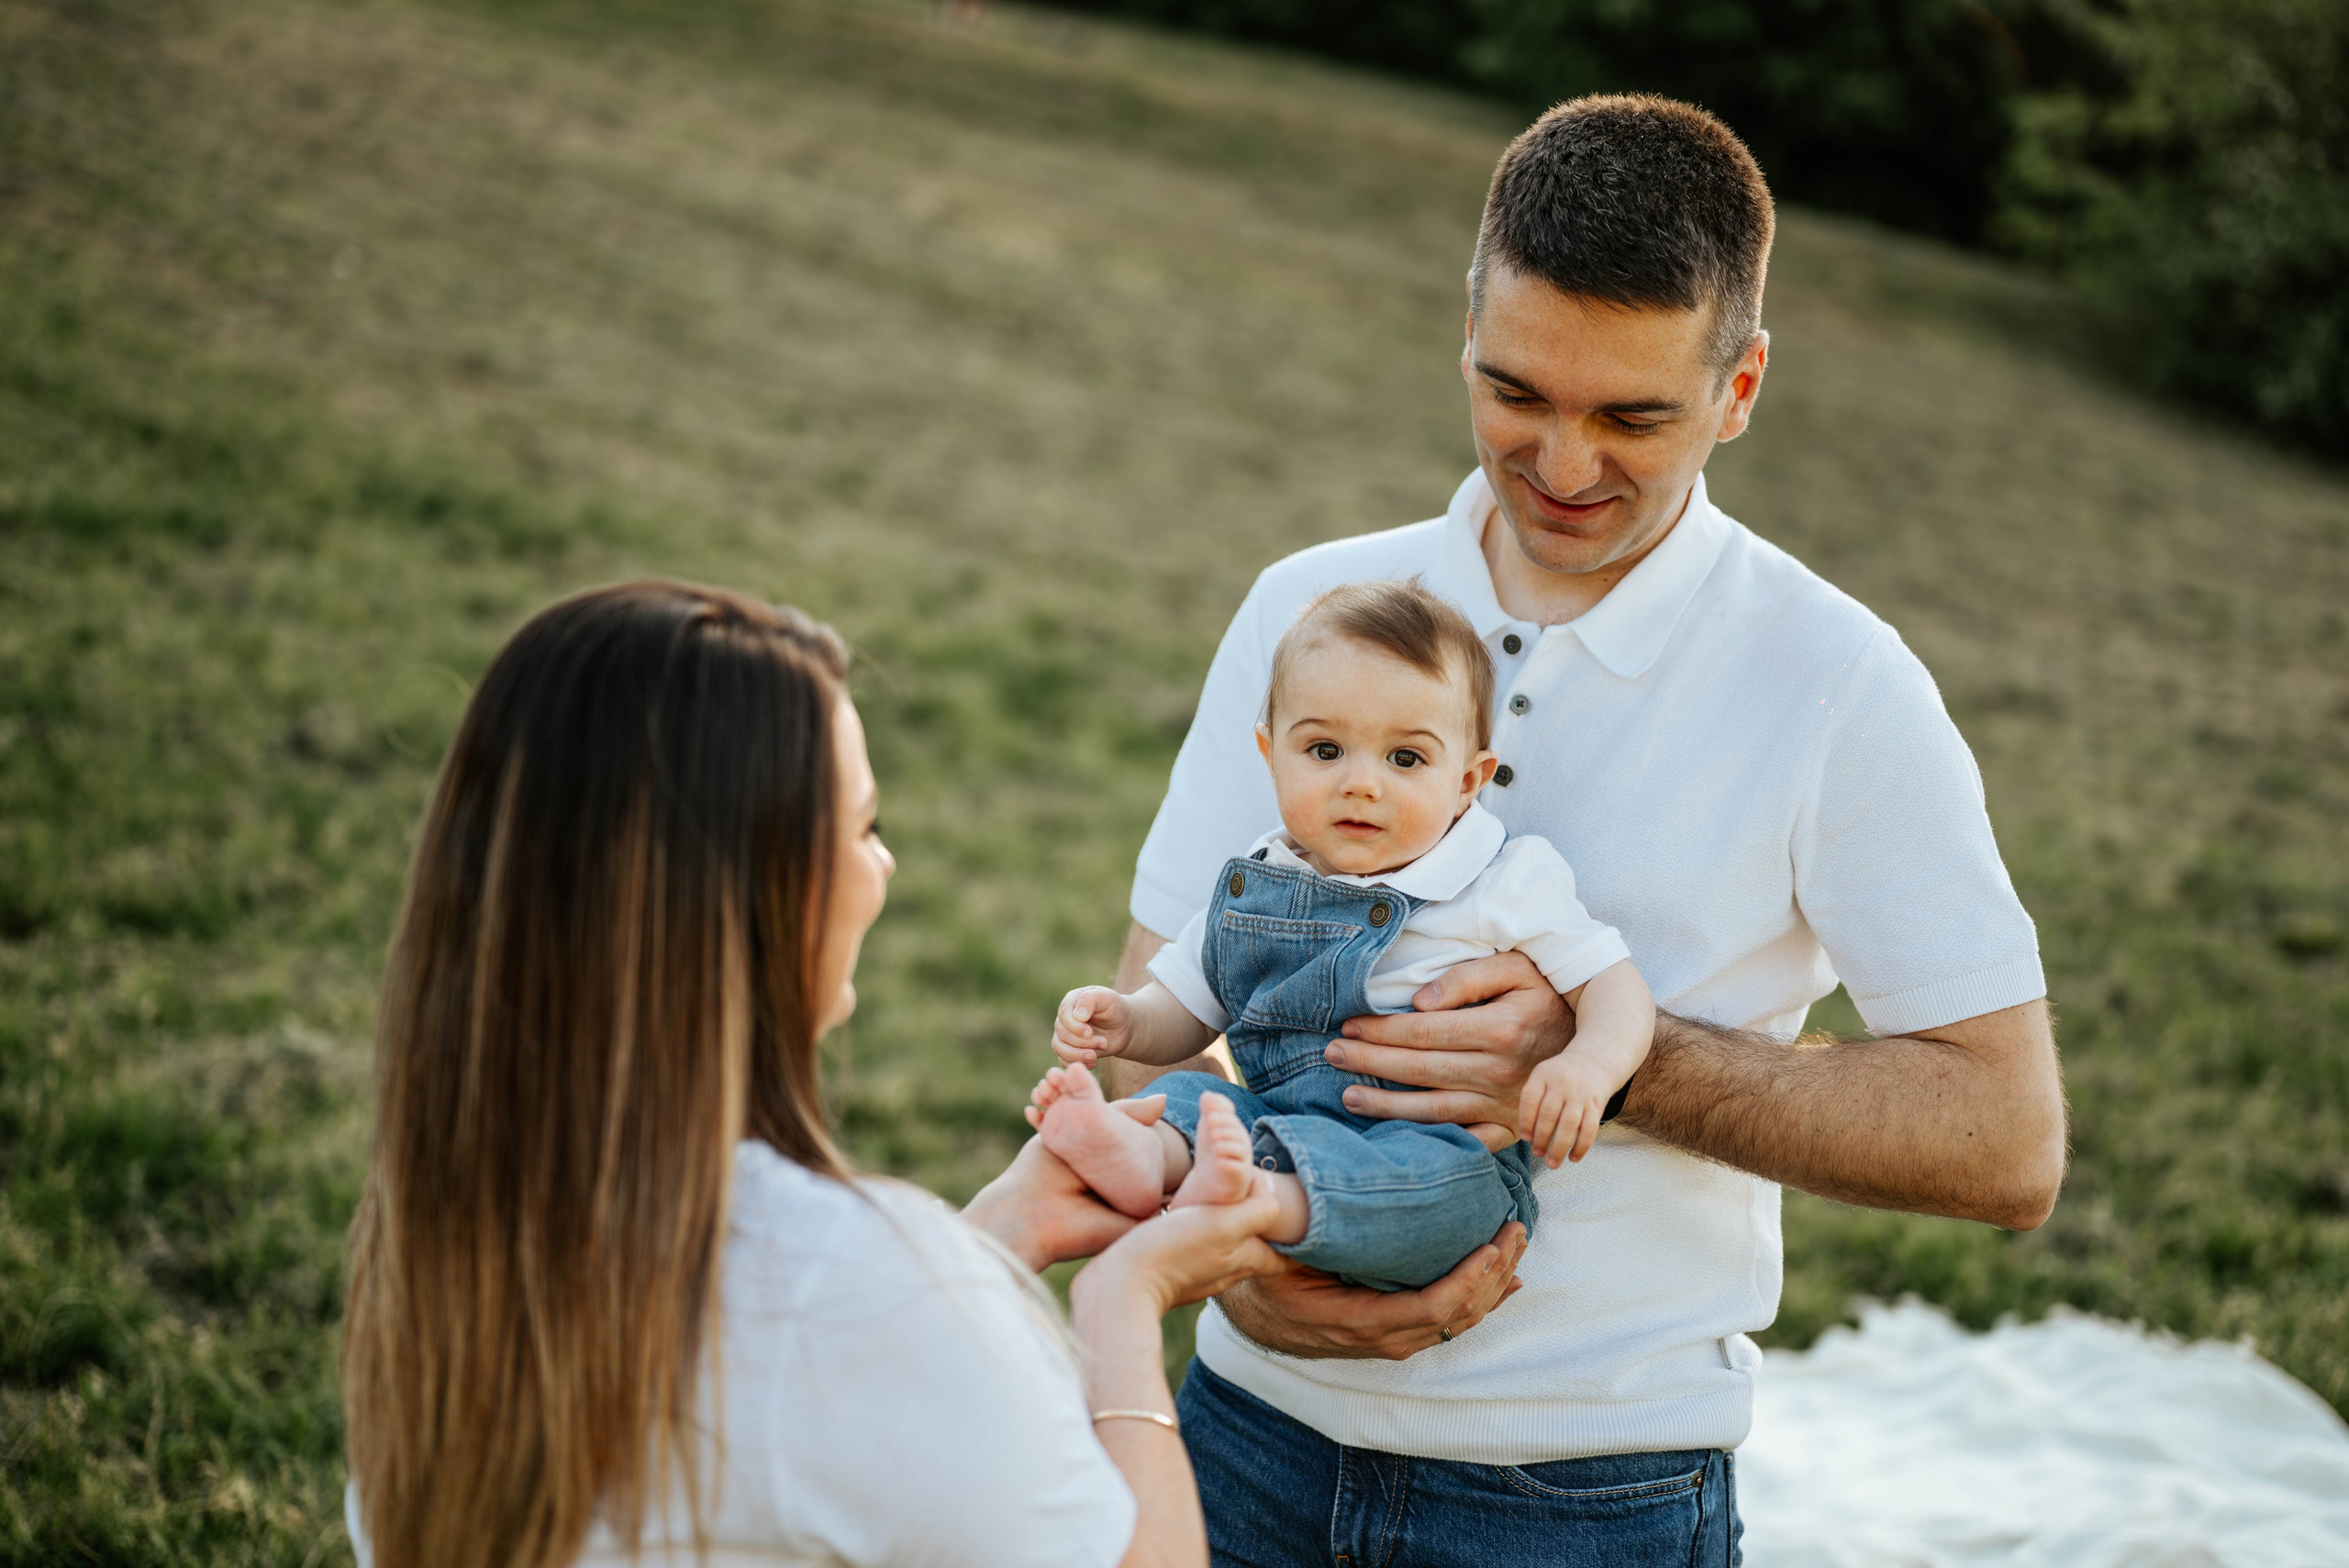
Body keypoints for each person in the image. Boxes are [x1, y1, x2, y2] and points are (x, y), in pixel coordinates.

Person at [1103, 95, 2067, 1563]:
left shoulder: (1838, 683)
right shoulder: (1311, 611)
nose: (1560, 463)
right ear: (1467, 327)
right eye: (1516, 392)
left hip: (1589, 1500)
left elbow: (2007, 1141)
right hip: (1246, 1435)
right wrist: (1235, 1267)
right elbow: (1155, 1011)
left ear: (1739, 386)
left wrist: (1612, 1062)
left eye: (1633, 415)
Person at [339, 582, 1285, 1568]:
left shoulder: (445, 1268)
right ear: (763, 892)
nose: (885, 866)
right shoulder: (861, 1294)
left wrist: (995, 1237)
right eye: (864, 825)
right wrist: (1125, 1298)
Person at [1028, 579, 1653, 1291]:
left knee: (1440, 1192)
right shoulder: (1264, 880)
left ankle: (1254, 1202)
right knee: (1194, 1105)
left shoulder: (1501, 878)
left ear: (1467, 781)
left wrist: (1590, 1068)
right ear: (1270, 753)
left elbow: (1614, 984)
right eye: (1324, 750)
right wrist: (1128, 1020)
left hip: (1433, 1153)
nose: (1361, 784)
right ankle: (1142, 1155)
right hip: (1274, 1121)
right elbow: (1188, 1006)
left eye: (1406, 759)